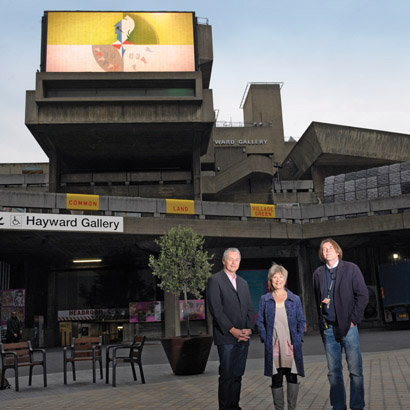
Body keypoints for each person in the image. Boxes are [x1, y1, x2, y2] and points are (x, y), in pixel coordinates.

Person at [313, 238, 369, 410]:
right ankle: (338, 406)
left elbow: (363, 295)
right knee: (334, 373)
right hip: (329, 329)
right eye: (324, 249)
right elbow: (318, 301)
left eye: (330, 248)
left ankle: (357, 406)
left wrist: (353, 319)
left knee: (355, 371)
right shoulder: (318, 273)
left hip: (349, 328)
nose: (327, 251)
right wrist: (322, 323)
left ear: (337, 251)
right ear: (321, 254)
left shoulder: (351, 269)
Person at [207, 248, 255, 410]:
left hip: (243, 337)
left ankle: (235, 406)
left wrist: (248, 329)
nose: (234, 262)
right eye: (230, 259)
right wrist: (233, 330)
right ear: (223, 261)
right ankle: (225, 407)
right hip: (226, 337)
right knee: (227, 375)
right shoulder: (215, 280)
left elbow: (249, 308)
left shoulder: (243, 282)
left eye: (237, 259)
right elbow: (216, 310)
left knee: (238, 375)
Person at [257, 264, 305, 410]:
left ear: (285, 278)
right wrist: (266, 339)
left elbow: (301, 320)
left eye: (280, 277)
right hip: (274, 346)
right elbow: (259, 321)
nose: (278, 280)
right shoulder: (265, 299)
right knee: (276, 379)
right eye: (274, 277)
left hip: (291, 345)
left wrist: (298, 337)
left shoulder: (294, 299)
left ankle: (292, 408)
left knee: (292, 377)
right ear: (270, 280)